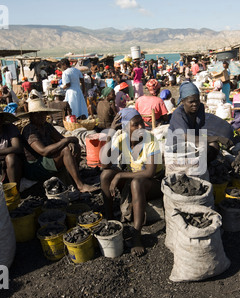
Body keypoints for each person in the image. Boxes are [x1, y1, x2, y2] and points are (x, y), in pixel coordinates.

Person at [100, 108, 164, 256]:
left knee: (136, 182)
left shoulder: (150, 140)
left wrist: (121, 175)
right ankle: (110, 220)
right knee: (105, 175)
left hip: (152, 182)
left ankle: (137, 235)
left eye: (141, 122)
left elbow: (149, 172)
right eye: (135, 124)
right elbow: (105, 165)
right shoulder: (122, 139)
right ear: (125, 128)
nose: (141, 127)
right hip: (133, 176)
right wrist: (110, 135)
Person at [19, 98, 99, 193]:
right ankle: (80, 185)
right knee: (65, 150)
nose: (41, 116)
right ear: (31, 116)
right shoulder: (29, 130)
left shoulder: (46, 126)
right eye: (37, 114)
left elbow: (61, 138)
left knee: (74, 146)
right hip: (36, 165)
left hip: (47, 159)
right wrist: (66, 140)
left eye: (43, 113)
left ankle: (74, 178)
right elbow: (43, 151)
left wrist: (70, 141)